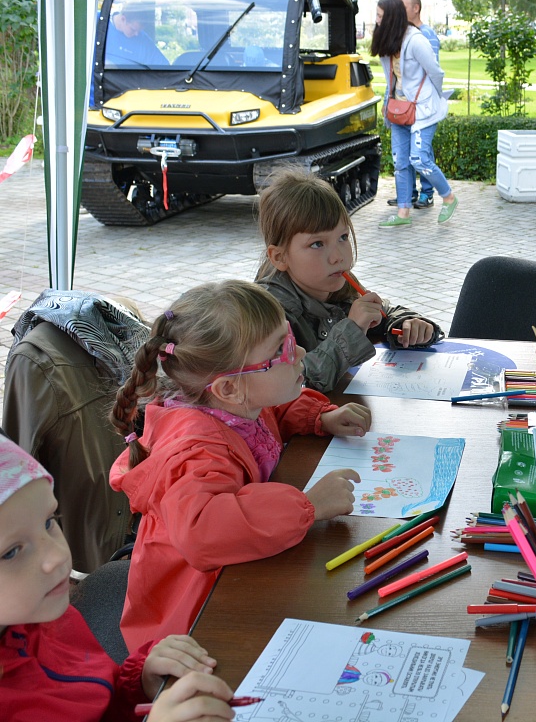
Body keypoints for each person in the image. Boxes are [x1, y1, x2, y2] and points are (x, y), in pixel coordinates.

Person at [107, 281, 372, 652]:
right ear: (229, 388)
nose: (303, 353)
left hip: (237, 573)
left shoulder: (236, 403)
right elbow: (202, 533)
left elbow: (269, 408)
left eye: (291, 339)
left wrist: (318, 416)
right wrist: (307, 506)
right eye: (283, 350)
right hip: (194, 619)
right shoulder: (196, 453)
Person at [0, 434, 236, 721]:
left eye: (49, 522)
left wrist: (139, 683)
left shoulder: (53, 619)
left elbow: (101, 702)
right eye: (11, 552)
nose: (58, 556)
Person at [255, 169, 445, 393]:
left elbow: (384, 311)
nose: (338, 256)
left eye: (343, 237)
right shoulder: (267, 313)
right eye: (317, 244)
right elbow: (293, 382)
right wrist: (352, 329)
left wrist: (406, 323)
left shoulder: (336, 285)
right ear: (279, 257)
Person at [3, 290, 148, 573]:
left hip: (110, 548)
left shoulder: (37, 362)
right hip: (96, 552)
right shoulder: (37, 363)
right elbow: (16, 485)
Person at [370, 0, 458, 228]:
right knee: (401, 162)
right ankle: (403, 213)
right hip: (398, 111)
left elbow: (436, 73)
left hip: (423, 110)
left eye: (380, 16)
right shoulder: (389, 41)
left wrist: (434, 99)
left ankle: (448, 197)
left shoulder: (416, 40)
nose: (376, 21)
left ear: (391, 18)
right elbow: (392, 77)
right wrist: (388, 101)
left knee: (419, 159)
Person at [382, 0, 441, 210]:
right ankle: (408, 194)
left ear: (415, 8)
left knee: (421, 152)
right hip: (401, 104)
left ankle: (427, 193)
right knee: (404, 153)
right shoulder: (400, 35)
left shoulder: (425, 36)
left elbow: (430, 72)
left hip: (420, 106)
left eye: (403, 7)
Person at [105, 1, 167, 68]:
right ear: (123, 19)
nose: (137, 34)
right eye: (133, 29)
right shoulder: (97, 22)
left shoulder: (143, 41)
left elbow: (164, 67)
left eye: (139, 31)